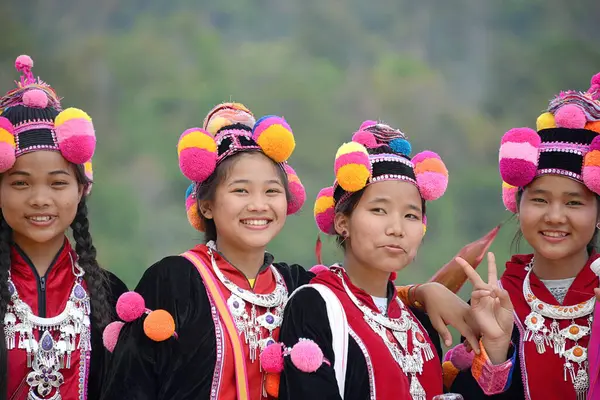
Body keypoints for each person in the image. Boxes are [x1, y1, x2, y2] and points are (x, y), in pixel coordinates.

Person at [100, 106, 479, 400]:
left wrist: (421, 293)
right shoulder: (175, 279)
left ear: (288, 200)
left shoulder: (299, 286)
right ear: (207, 204)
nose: (258, 205)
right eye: (241, 191)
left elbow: (363, 295)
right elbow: (131, 385)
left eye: (271, 191)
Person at [445, 72, 600, 400]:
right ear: (516, 204)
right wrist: (497, 348)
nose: (555, 216)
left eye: (574, 202)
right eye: (540, 199)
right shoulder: (500, 302)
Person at [276, 120, 453, 400]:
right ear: (342, 222)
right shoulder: (314, 306)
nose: (397, 228)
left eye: (410, 215)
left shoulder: (421, 320)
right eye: (379, 210)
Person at [0, 55, 127, 400]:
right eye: (21, 184)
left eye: (57, 184)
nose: (40, 199)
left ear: (81, 189)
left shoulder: (111, 295)